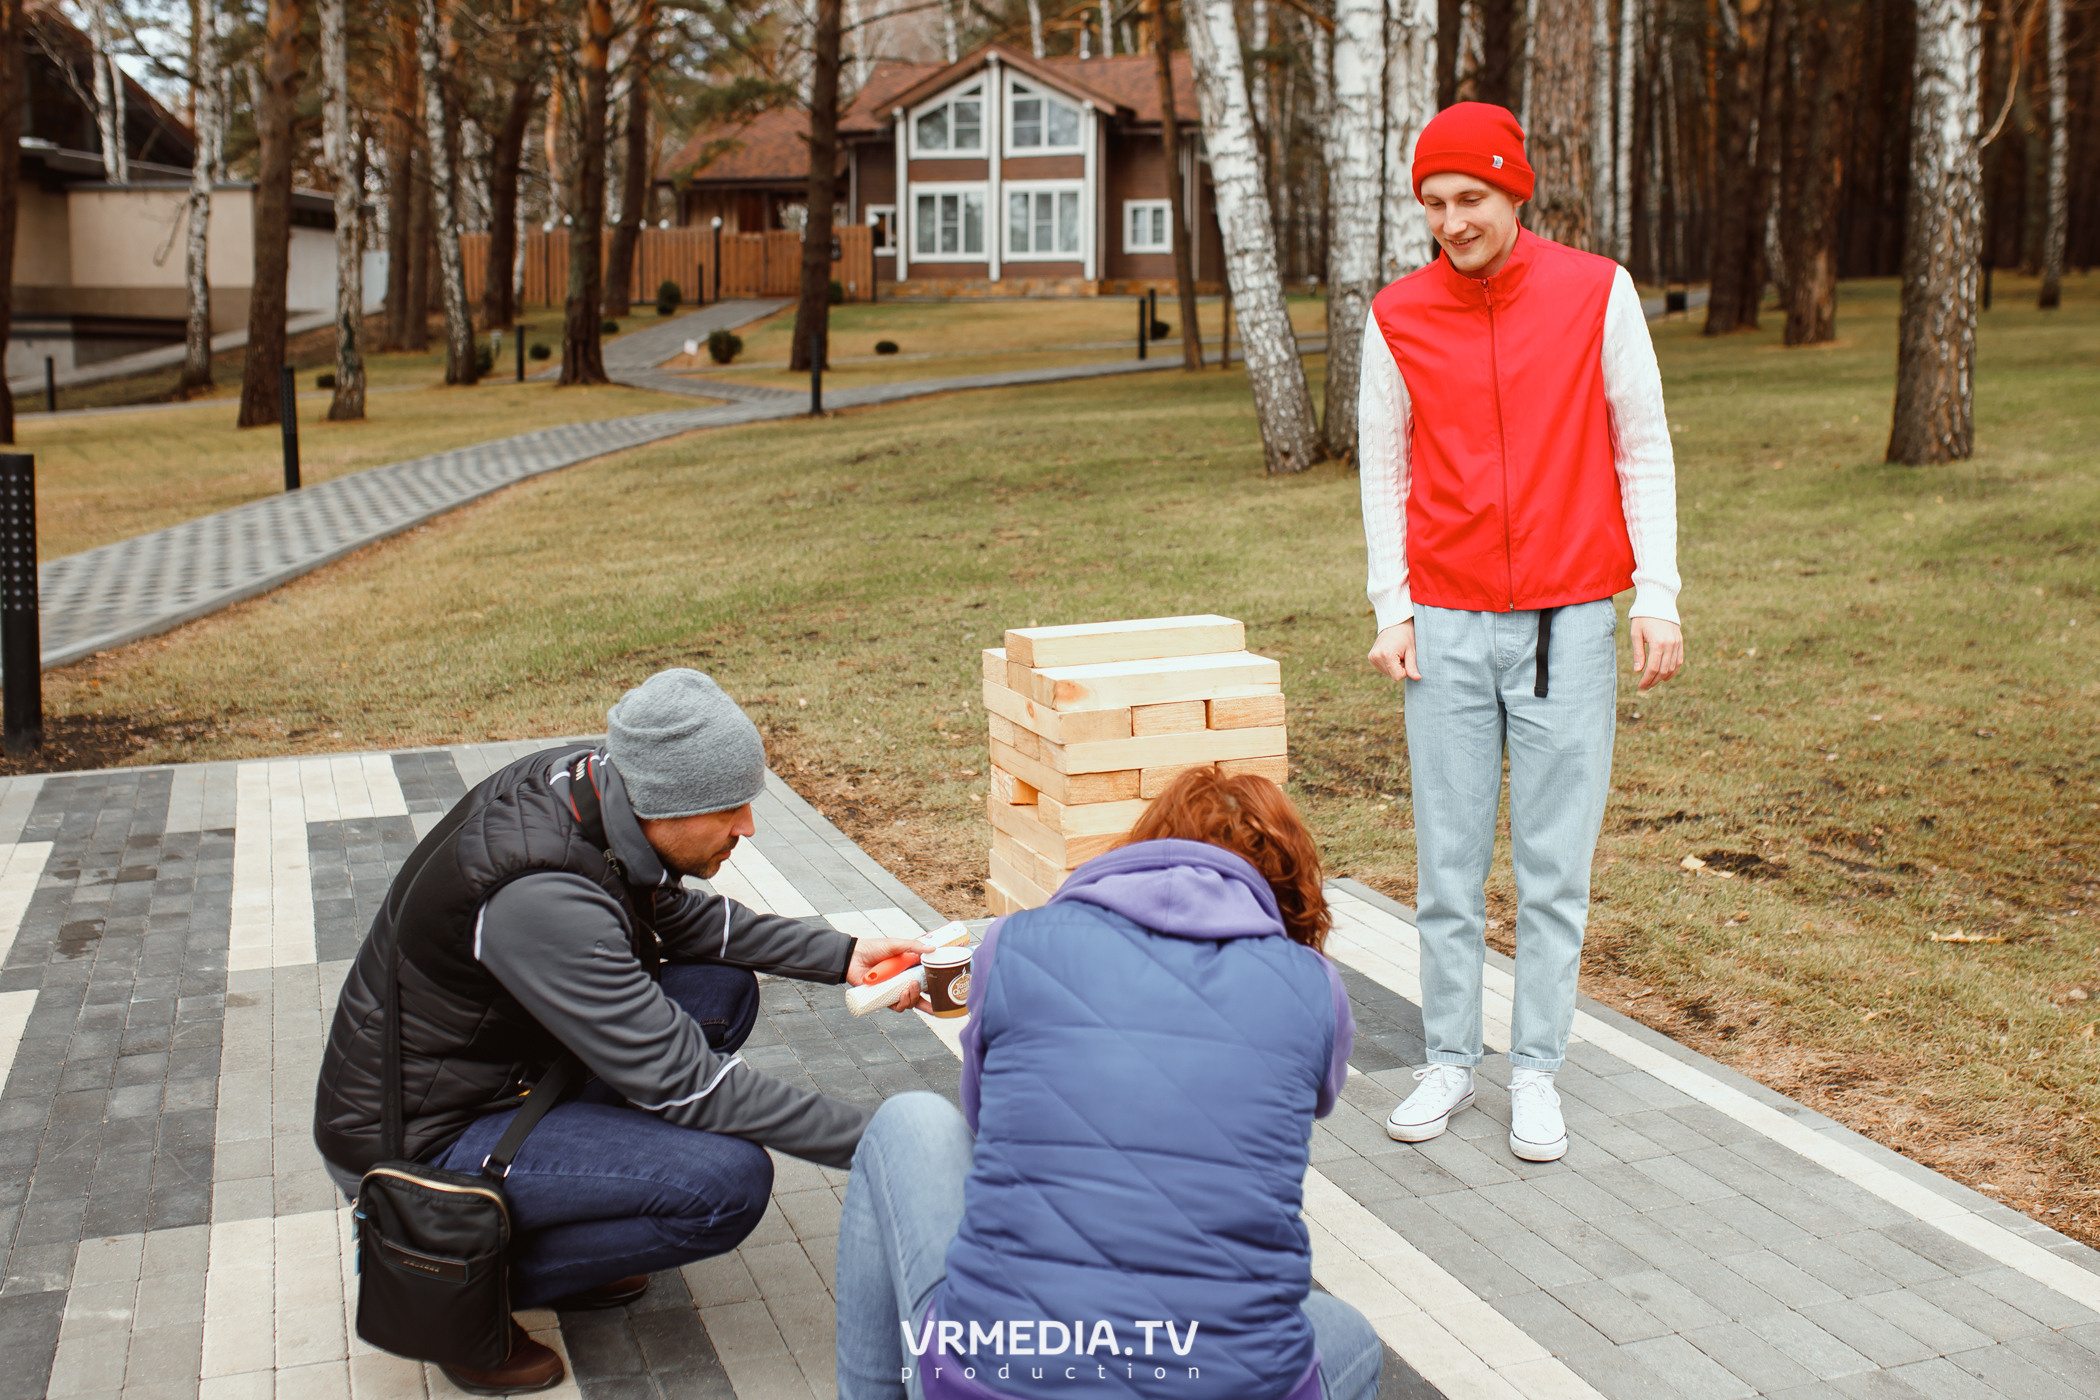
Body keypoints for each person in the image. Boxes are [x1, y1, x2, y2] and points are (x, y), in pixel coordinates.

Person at [312, 668, 928, 1396]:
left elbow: (669, 918)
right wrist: (894, 1150)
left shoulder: (593, 789)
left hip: (505, 1067)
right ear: (662, 806)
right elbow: (692, 1088)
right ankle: (458, 1279)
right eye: (730, 809)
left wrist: (840, 956)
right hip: (427, 1137)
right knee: (727, 1183)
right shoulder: (540, 898)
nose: (748, 828)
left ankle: (571, 1221)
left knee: (718, 992)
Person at [833, 769, 1384, 1400]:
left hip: (1012, 1374)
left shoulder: (1015, 944)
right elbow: (1309, 1102)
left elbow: (987, 1124)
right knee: (1346, 1332)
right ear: (1288, 885)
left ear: (1144, 845)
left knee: (908, 1121)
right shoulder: (1314, 987)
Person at [1358, 102, 1684, 1163]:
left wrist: (1660, 593)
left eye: (1472, 200)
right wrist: (1391, 606)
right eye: (1436, 203)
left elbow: (1643, 444)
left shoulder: (1597, 292)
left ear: (1515, 191)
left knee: (1553, 867)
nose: (1453, 221)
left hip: (1570, 620)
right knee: (1447, 867)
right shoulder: (1397, 315)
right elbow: (1385, 471)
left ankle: (1536, 1065)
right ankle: (1451, 1055)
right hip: (1445, 621)